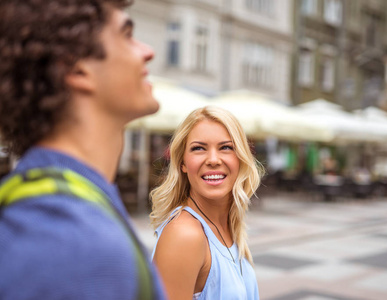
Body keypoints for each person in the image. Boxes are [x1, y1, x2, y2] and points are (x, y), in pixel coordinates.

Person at [0, 0, 166, 299]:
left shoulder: (59, 202)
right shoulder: (74, 244)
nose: (147, 51)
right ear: (76, 67)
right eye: (127, 35)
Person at [150, 106, 263, 300]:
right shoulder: (184, 235)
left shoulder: (228, 225)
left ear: (241, 159)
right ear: (182, 163)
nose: (213, 160)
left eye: (226, 147)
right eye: (198, 148)